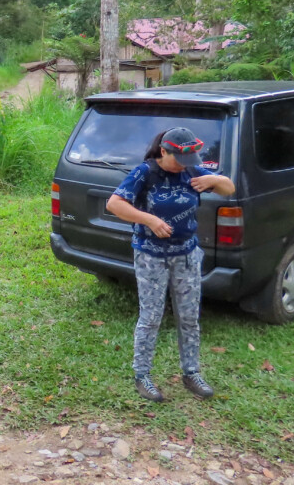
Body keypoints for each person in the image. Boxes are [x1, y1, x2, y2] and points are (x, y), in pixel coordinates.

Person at [106, 126, 236, 402]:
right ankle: (142, 376)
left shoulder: (191, 170)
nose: (184, 167)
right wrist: (149, 220)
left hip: (187, 255)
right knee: (151, 317)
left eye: (189, 162)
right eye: (178, 160)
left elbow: (229, 187)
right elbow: (114, 204)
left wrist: (211, 178)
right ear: (163, 151)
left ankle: (191, 372)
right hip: (152, 256)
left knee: (189, 317)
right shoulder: (146, 172)